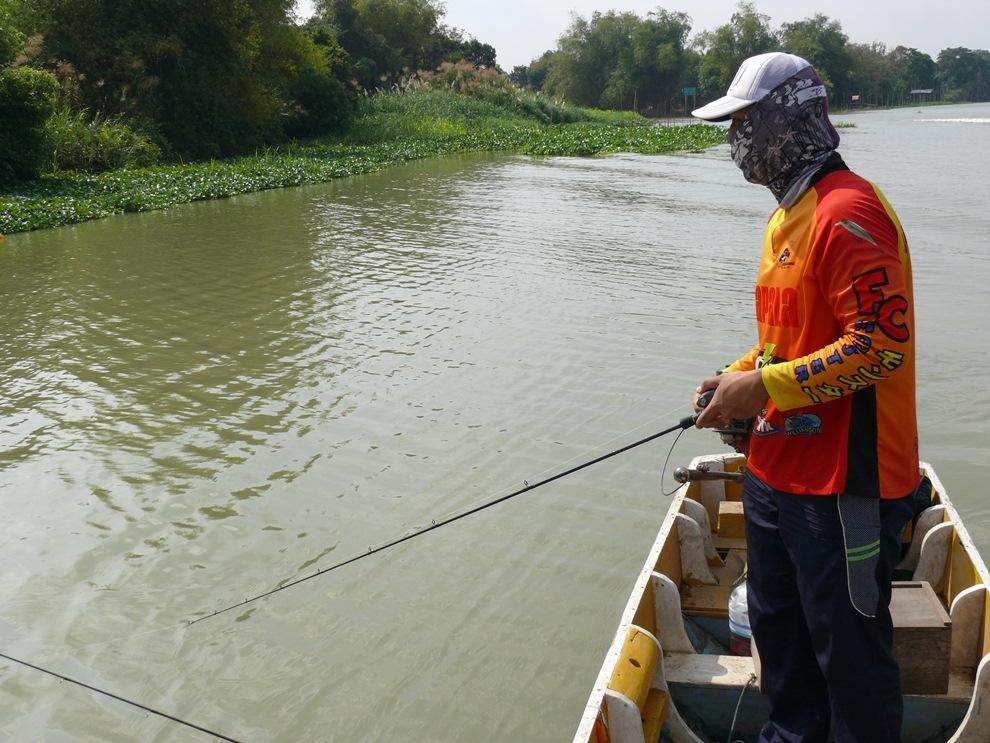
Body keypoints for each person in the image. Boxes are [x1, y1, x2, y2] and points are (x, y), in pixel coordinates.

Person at [690, 52, 921, 742]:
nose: (735, 143)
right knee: (779, 640)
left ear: (785, 122)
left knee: (849, 658)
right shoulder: (785, 218)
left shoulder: (849, 214)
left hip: (843, 484)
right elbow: (788, 343)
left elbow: (880, 346)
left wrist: (761, 385)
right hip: (775, 473)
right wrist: (737, 378)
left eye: (744, 124)